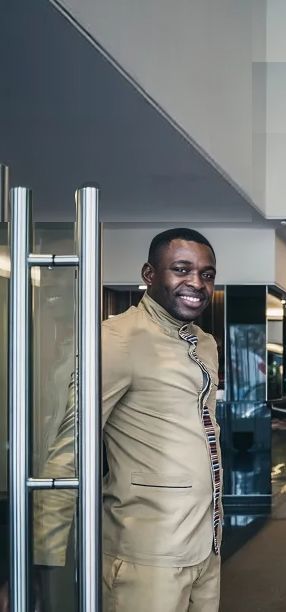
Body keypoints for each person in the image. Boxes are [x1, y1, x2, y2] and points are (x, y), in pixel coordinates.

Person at [4, 228, 223, 612]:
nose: (196, 283)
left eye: (206, 274)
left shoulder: (204, 343)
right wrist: (36, 562)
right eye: (181, 269)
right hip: (147, 557)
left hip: (207, 548)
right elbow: (70, 450)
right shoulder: (116, 339)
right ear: (149, 274)